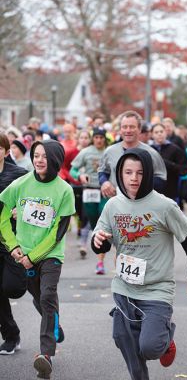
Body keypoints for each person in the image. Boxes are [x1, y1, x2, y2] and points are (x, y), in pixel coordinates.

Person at [91, 148, 187, 380]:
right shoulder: (113, 205)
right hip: (124, 287)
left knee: (149, 347)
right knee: (122, 339)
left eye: (139, 172)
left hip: (157, 289)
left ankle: (165, 340)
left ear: (148, 175)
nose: (134, 178)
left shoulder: (164, 206)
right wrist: (98, 241)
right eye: (128, 172)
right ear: (120, 174)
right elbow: (101, 241)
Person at [0, 140, 75, 379]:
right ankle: (53, 324)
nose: (39, 160)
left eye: (44, 156)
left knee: (47, 295)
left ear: (54, 159)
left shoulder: (64, 190)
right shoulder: (20, 184)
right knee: (40, 300)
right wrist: (13, 246)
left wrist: (33, 257)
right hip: (23, 255)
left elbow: (58, 232)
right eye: (36, 155)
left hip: (50, 255)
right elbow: (2, 214)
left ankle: (46, 356)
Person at [0, 133, 28, 355]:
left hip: (12, 241)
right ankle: (11, 336)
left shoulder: (19, 175)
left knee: (12, 288)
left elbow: (35, 196)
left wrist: (24, 209)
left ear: (6, 150)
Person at [98, 110, 167, 199]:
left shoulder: (151, 153)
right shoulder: (110, 151)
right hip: (116, 202)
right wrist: (104, 182)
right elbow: (103, 170)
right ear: (120, 129)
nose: (128, 130)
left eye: (132, 127)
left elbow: (161, 178)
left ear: (139, 129)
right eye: (124, 127)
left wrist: (140, 187)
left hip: (142, 203)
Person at [70, 128, 108, 273]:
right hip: (89, 190)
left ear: (104, 139)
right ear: (93, 138)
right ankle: (94, 237)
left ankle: (100, 262)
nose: (99, 140)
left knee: (102, 219)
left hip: (104, 190)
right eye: (96, 137)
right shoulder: (86, 152)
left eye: (101, 137)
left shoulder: (109, 152)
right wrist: (80, 175)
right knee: (92, 220)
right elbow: (73, 169)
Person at [150, 123, 187, 202]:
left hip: (170, 193)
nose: (159, 134)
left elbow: (185, 169)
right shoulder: (148, 149)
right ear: (152, 135)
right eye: (156, 132)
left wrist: (168, 164)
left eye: (161, 131)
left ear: (165, 133)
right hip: (152, 193)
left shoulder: (175, 149)